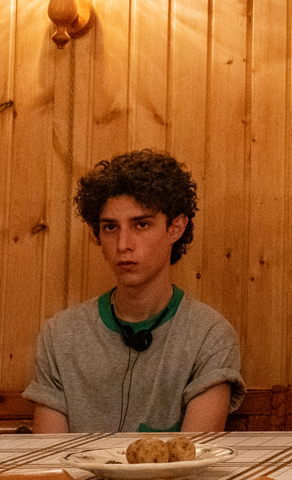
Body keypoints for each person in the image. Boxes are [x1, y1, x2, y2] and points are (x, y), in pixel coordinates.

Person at [25, 150, 244, 433]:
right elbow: (51, 463)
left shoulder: (209, 336)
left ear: (175, 228)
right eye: (110, 227)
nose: (123, 244)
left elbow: (193, 456)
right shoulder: (60, 336)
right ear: (97, 234)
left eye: (141, 224)